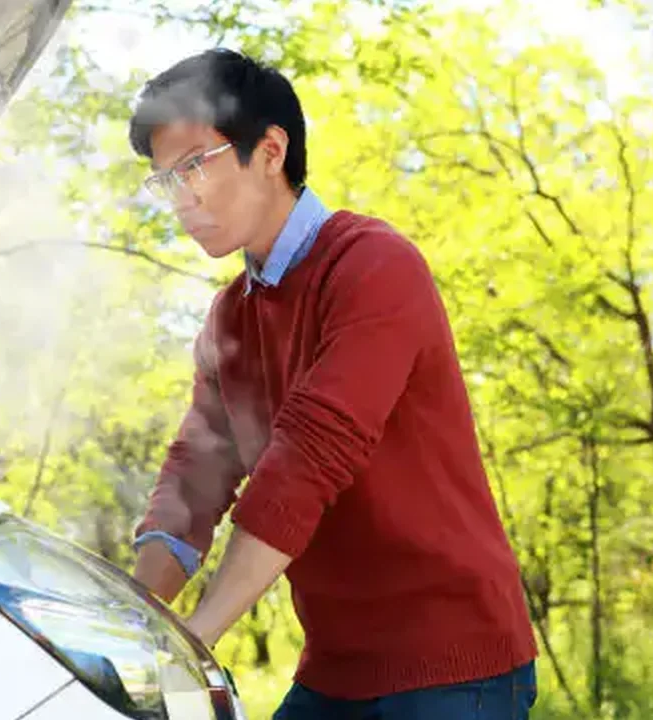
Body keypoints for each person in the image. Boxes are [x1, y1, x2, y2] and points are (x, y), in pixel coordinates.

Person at [124, 48, 540, 719]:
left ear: (269, 150)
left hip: (453, 664)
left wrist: (192, 642)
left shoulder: (374, 266)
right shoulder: (231, 315)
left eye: (195, 166)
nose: (183, 199)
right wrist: (131, 627)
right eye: (165, 181)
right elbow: (193, 480)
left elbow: (307, 461)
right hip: (336, 669)